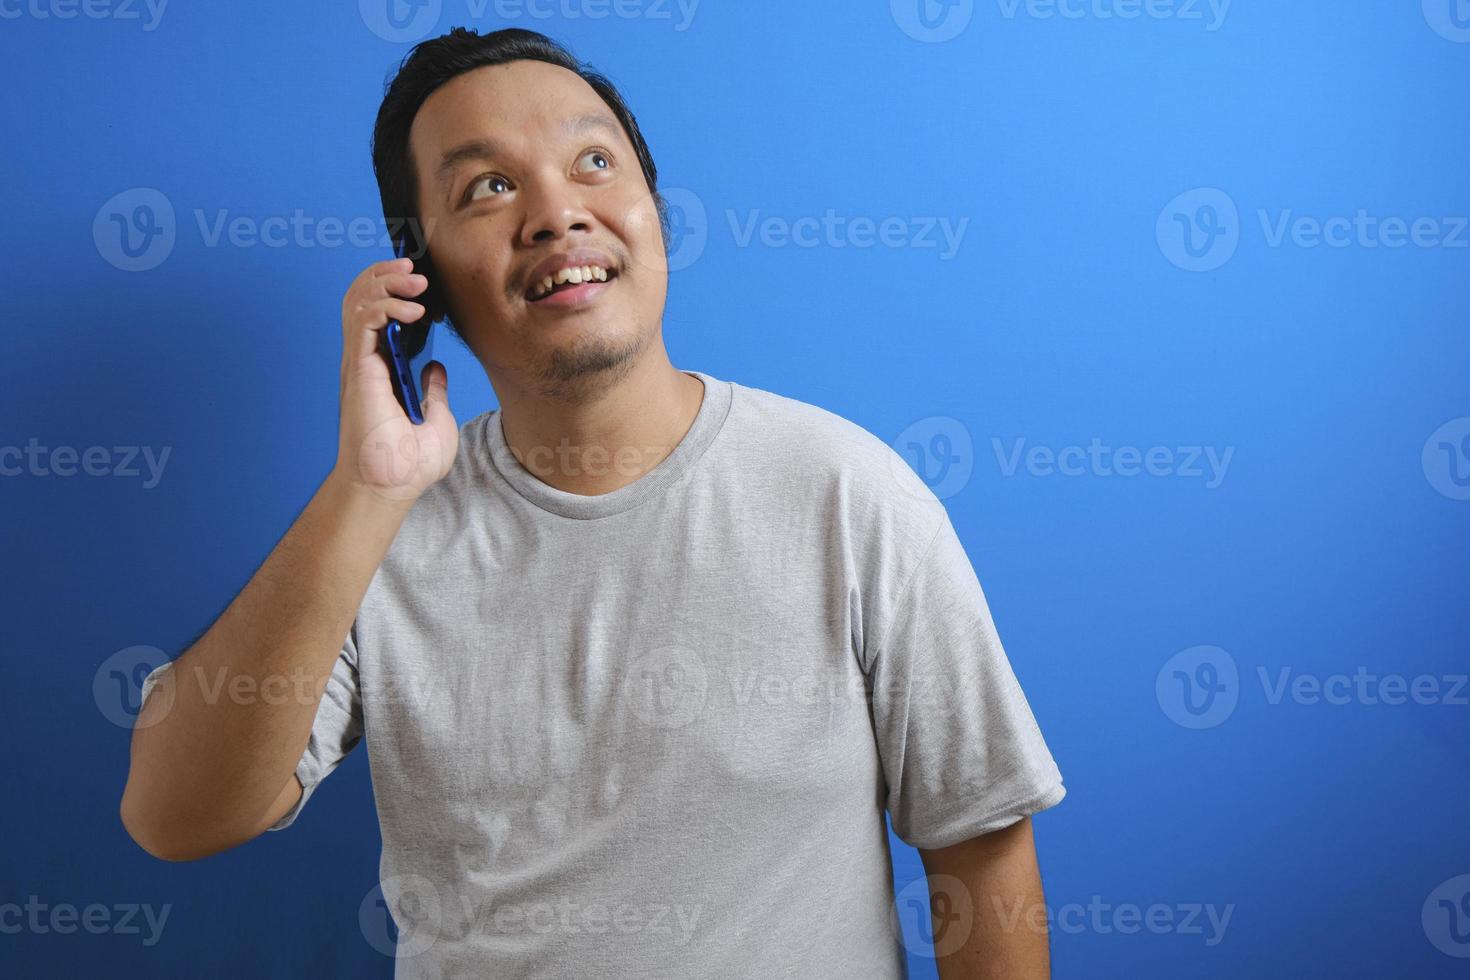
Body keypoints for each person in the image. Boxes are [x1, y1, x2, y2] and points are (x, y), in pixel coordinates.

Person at [120, 27, 1066, 978]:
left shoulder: (848, 493)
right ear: (423, 281)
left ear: (654, 214)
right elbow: (174, 817)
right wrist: (363, 492)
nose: (555, 213)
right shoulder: (377, 535)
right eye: (487, 187)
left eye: (594, 162)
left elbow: (980, 849)